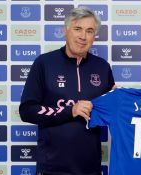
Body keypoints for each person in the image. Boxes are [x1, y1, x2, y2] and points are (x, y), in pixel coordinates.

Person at [19, 7, 115, 175]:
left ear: (94, 36)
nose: (83, 36)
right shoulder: (44, 63)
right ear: (66, 30)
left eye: (89, 31)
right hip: (51, 169)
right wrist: (70, 110)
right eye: (78, 29)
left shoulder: (102, 67)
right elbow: (27, 111)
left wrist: (119, 100)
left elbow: (112, 113)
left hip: (90, 169)